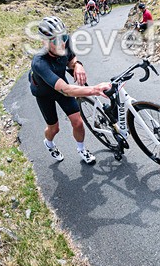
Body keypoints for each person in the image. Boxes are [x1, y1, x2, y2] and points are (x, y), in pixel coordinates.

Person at [29, 17, 111, 164]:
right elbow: (67, 90)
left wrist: (78, 65)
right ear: (44, 42)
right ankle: (49, 143)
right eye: (55, 40)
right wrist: (95, 89)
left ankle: (81, 149)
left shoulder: (65, 43)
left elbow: (71, 59)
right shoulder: (39, 62)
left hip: (60, 84)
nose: (61, 43)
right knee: (54, 129)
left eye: (64, 37)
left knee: (78, 123)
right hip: (44, 93)